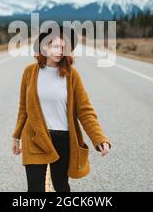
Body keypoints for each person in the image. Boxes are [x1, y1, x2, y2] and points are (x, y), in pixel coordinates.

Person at [12, 24, 112, 192]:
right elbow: (23, 107)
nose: (60, 51)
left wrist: (99, 138)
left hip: (63, 138)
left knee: (61, 186)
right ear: (44, 46)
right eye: (56, 46)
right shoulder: (30, 72)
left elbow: (85, 110)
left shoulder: (72, 75)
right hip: (34, 136)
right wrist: (16, 136)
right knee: (35, 189)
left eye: (64, 47)